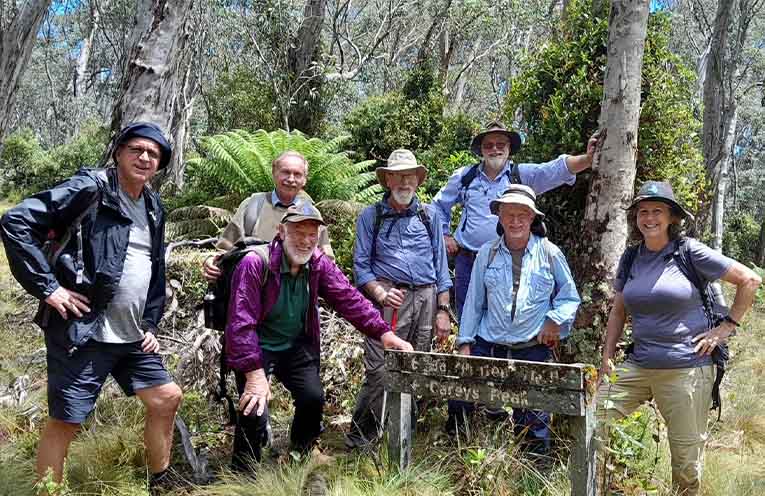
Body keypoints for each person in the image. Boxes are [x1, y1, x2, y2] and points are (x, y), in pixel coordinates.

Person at [0, 122, 183, 493]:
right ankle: (48, 490)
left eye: (153, 153)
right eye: (136, 149)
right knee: (67, 420)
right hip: (85, 329)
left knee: (166, 397)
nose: (145, 157)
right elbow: (16, 221)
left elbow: (156, 269)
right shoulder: (90, 189)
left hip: (132, 334)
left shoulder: (153, 206)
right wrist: (50, 288)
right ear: (118, 152)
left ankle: (159, 482)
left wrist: (150, 324)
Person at [597, 181, 761, 495]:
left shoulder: (689, 251)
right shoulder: (631, 258)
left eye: (657, 211)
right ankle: (608, 485)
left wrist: (725, 328)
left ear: (672, 217)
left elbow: (750, 279)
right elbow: (618, 311)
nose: (649, 218)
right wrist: (607, 356)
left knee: (686, 460)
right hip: (638, 365)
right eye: (643, 211)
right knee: (593, 421)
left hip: (687, 369)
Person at [224, 203, 413, 470]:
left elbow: (348, 298)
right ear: (281, 232)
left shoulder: (317, 263)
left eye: (312, 235)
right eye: (298, 232)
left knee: (312, 398)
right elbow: (240, 323)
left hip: (294, 344)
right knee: (254, 407)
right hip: (257, 346)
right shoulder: (255, 263)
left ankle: (301, 453)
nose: (305, 241)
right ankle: (243, 472)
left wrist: (383, 333)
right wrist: (254, 376)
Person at [447, 184, 581, 455]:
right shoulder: (488, 252)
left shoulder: (549, 252)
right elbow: (474, 302)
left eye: (522, 214)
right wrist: (465, 343)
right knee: (461, 397)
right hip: (490, 343)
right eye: (509, 214)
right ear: (499, 216)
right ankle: (456, 457)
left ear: (533, 218)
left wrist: (554, 321)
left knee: (533, 417)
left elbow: (569, 297)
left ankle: (534, 474)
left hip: (531, 346)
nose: (515, 221)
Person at [345, 149, 452, 450]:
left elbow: (441, 267)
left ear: (418, 180)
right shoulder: (371, 216)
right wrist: (380, 293)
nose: (405, 182)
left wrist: (443, 309)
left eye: (411, 176)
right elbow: (361, 266)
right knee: (380, 369)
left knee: (414, 366)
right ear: (388, 179)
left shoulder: (430, 215)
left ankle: (403, 433)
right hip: (389, 300)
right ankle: (361, 438)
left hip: (426, 299)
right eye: (399, 176)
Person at [432, 121, 596, 317]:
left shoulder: (521, 175)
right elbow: (438, 206)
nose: (494, 149)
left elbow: (556, 170)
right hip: (468, 261)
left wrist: (587, 159)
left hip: (507, 261)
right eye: (488, 145)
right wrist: (444, 234)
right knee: (467, 317)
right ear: (481, 150)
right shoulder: (465, 177)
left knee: (504, 316)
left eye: (500, 144)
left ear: (509, 148)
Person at [202, 150, 333, 282]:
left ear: (304, 180)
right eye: (285, 172)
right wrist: (211, 261)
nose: (291, 179)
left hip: (296, 294)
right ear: (274, 173)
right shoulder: (252, 206)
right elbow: (225, 248)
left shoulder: (312, 214)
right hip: (251, 291)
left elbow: (326, 259)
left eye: (297, 174)